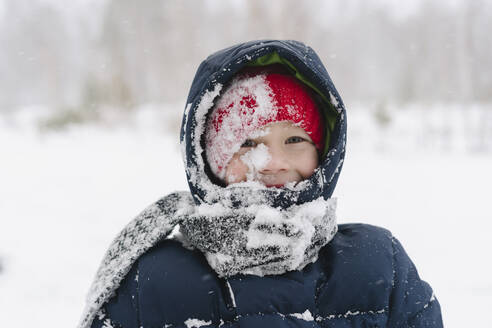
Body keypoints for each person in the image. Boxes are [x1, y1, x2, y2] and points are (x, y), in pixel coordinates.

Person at [79, 40, 443, 328]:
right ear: (208, 161)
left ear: (324, 152)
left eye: (295, 141)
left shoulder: (378, 266)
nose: (273, 164)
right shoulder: (152, 281)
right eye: (247, 144)